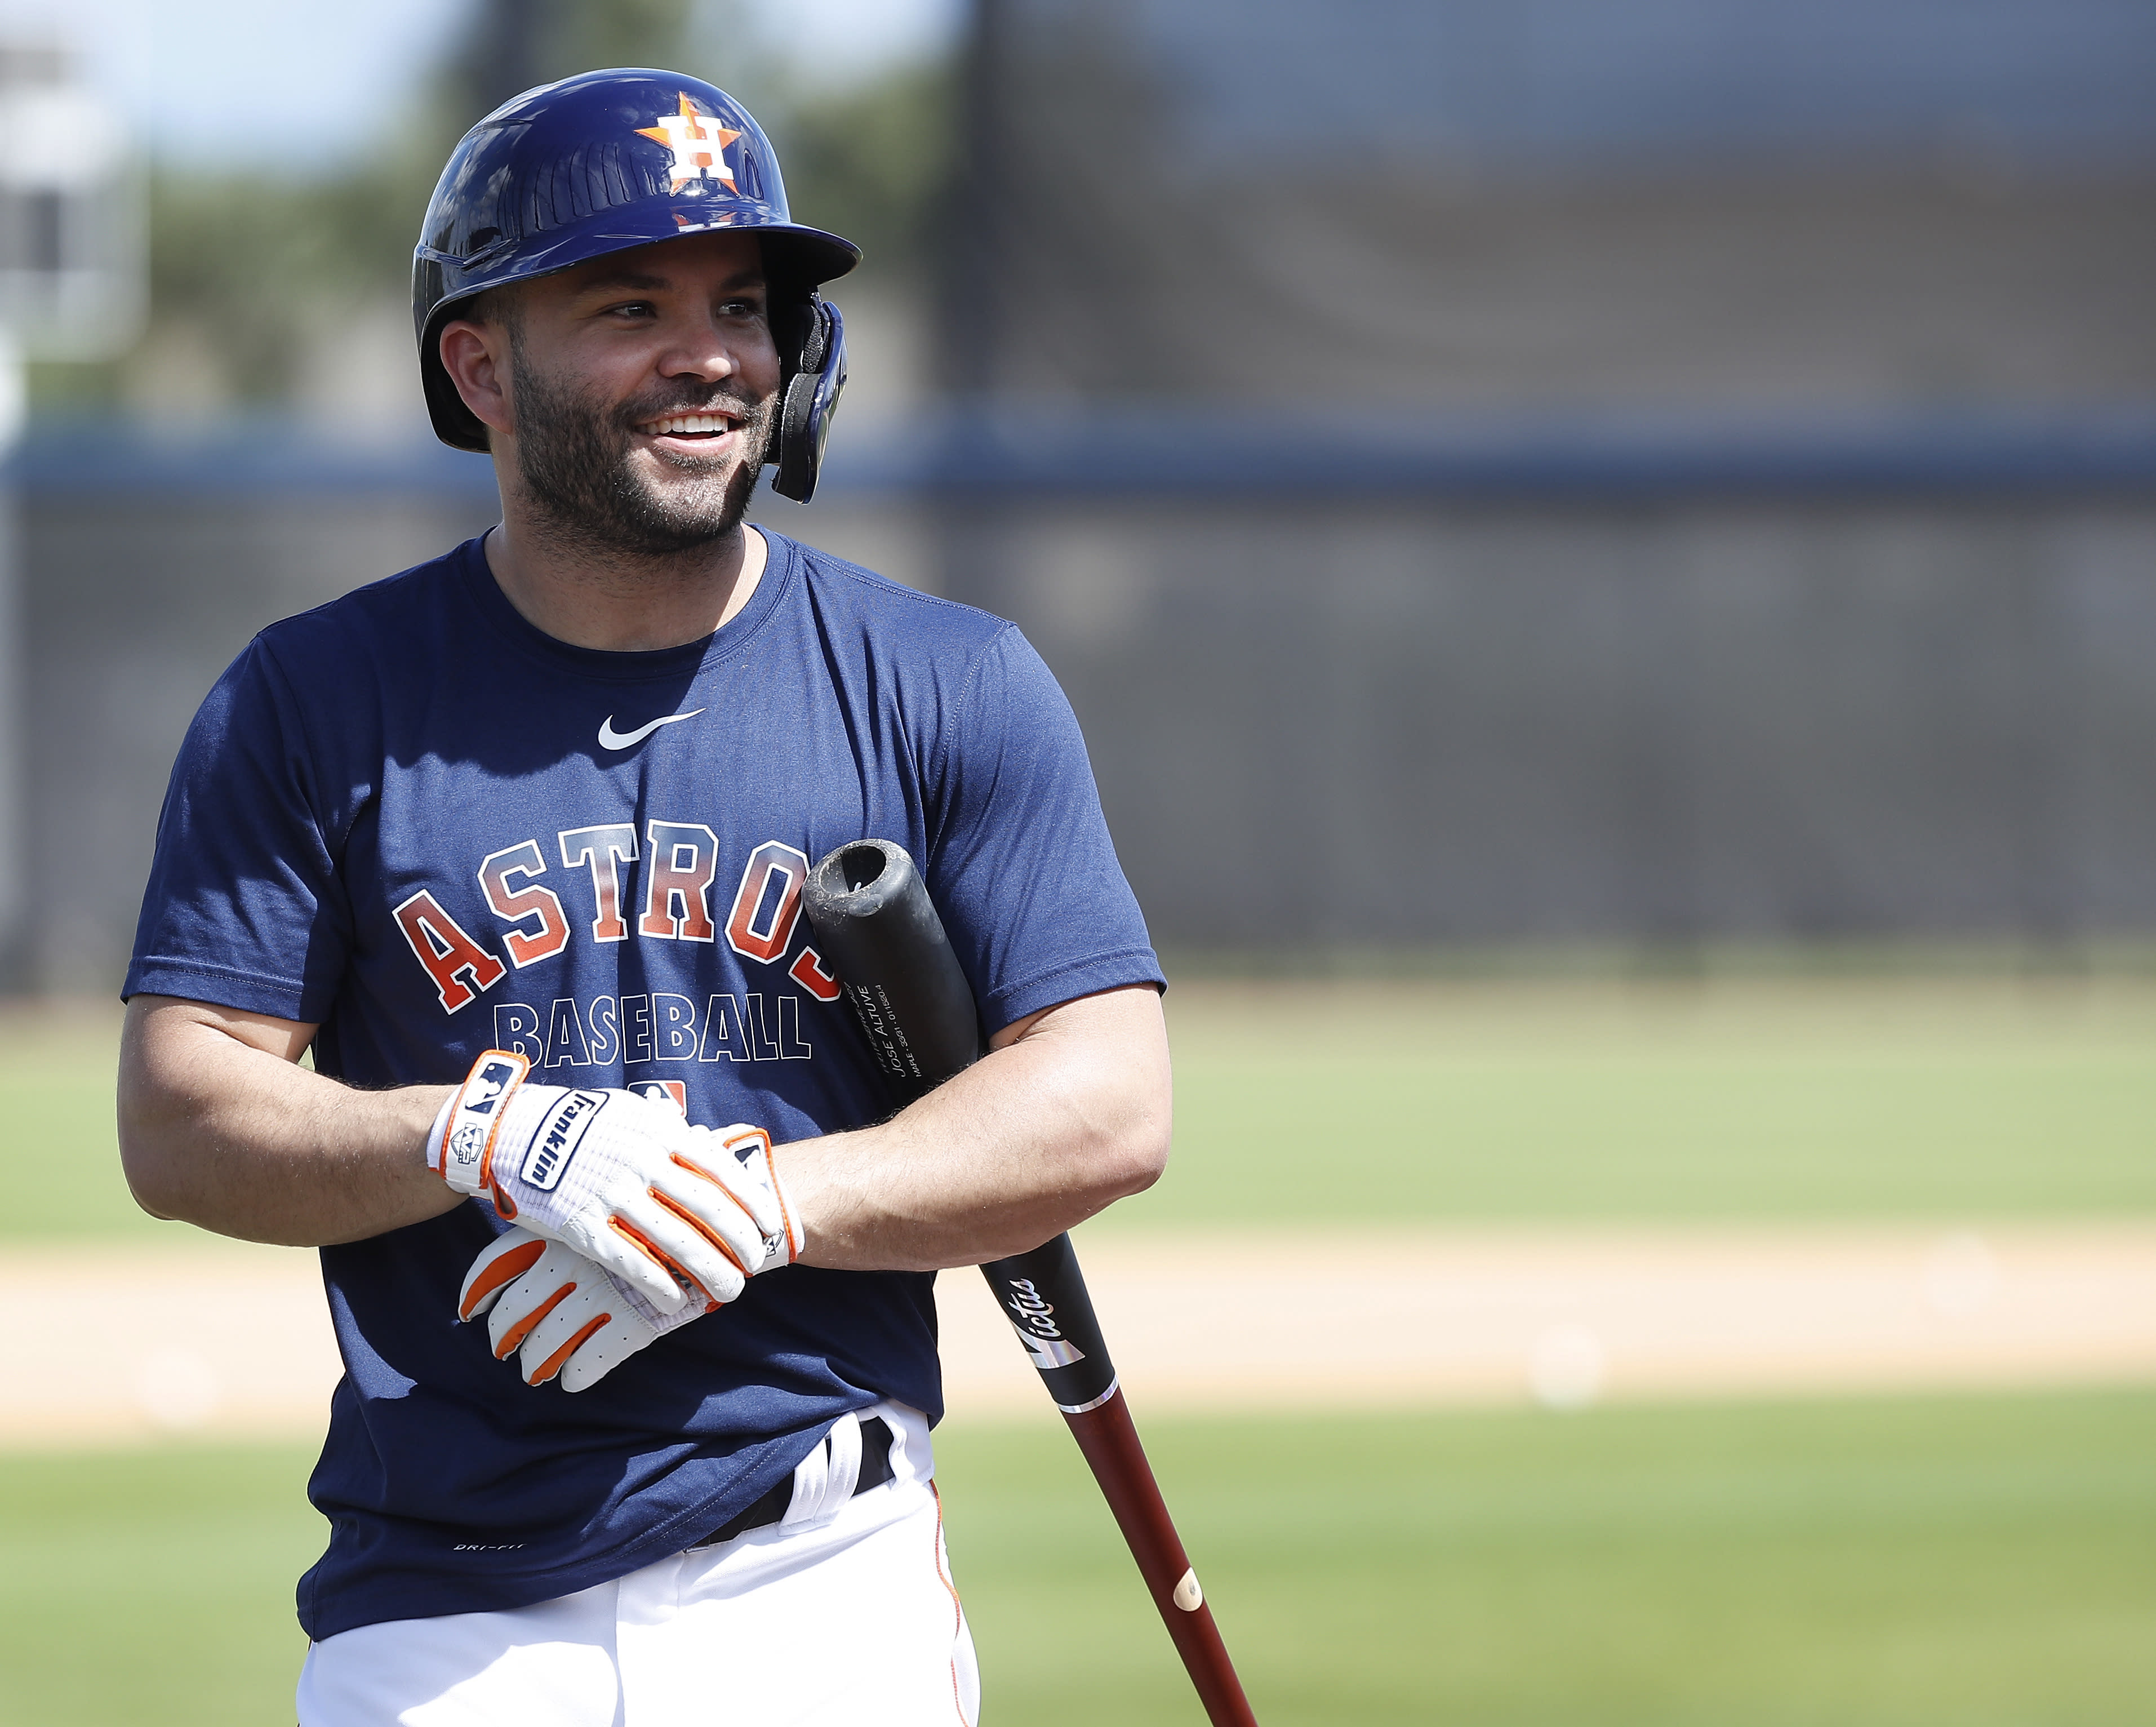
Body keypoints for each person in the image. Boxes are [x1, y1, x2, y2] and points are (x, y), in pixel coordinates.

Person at [116, 68, 1171, 1727]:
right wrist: (478, 1138)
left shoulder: (948, 681)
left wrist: (759, 1202)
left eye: (740, 307)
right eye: (631, 304)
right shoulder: (314, 699)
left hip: (824, 1586)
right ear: (479, 366)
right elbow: (179, 1119)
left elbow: (1106, 1101)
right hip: (438, 1615)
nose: (712, 356)